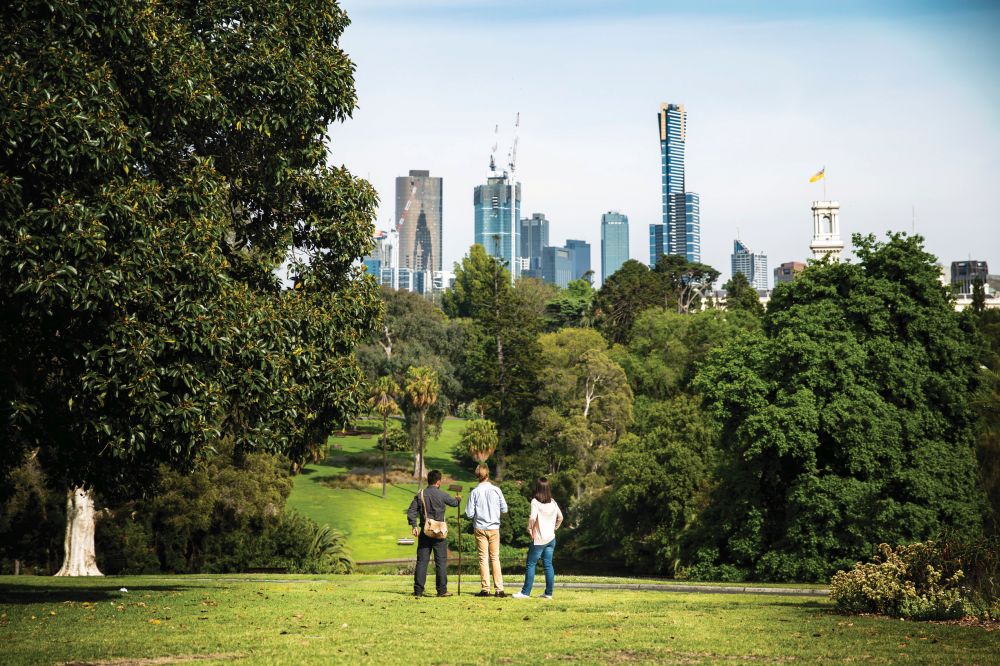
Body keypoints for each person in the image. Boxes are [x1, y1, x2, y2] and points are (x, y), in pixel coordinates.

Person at [406, 469, 460, 597]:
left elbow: (411, 511)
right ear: (438, 482)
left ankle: (418, 591)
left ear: (428, 481)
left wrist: (414, 525)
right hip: (440, 533)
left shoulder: (421, 494)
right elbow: (453, 503)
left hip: (425, 532)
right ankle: (442, 591)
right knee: (440, 562)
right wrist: (458, 499)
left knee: (422, 562)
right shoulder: (442, 495)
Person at [513, 477, 563, 600]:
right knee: (548, 565)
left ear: (537, 488)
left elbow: (532, 518)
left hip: (539, 539)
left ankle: (525, 592)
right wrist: (554, 528)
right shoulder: (553, 502)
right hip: (551, 539)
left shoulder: (535, 502)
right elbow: (560, 517)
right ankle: (548, 593)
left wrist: (530, 529)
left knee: (531, 564)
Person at [465, 463, 508, 597]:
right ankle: (499, 589)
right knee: (495, 558)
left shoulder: (474, 492)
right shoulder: (496, 490)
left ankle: (485, 589)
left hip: (480, 528)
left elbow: (469, 514)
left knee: (483, 558)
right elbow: (505, 509)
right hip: (494, 527)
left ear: (477, 476)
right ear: (488, 474)